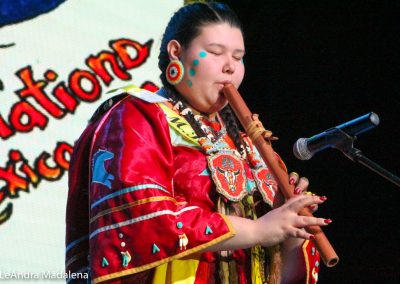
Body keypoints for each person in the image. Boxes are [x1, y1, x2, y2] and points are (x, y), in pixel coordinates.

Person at [66, 2, 330, 283]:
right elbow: (143, 219)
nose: (230, 67)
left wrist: (290, 228)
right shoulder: (139, 115)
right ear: (176, 52)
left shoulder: (249, 144)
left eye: (238, 57)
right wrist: (257, 230)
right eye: (215, 52)